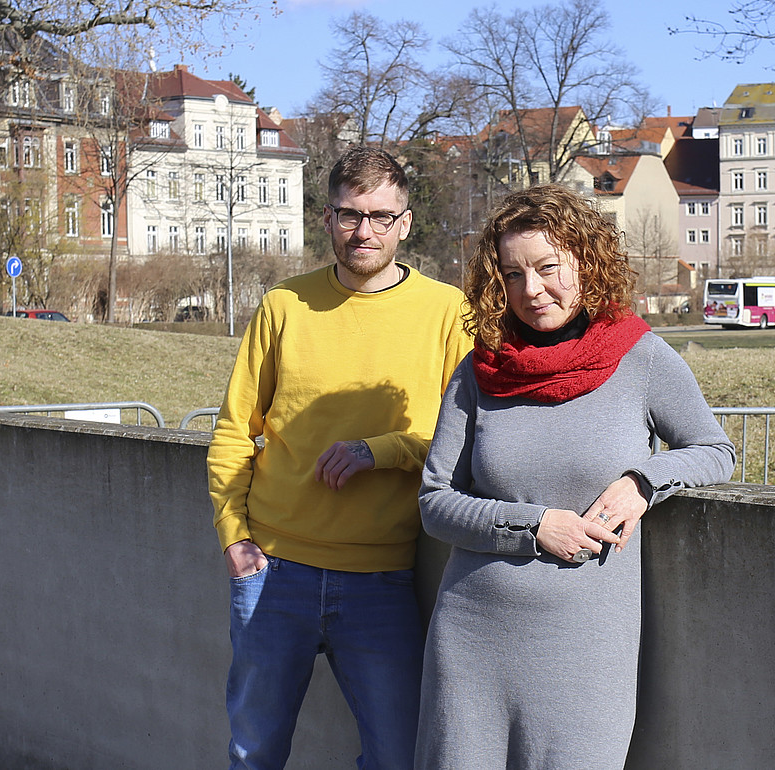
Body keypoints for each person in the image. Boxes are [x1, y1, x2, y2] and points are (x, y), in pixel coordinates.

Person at [415, 185, 735, 769]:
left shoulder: (640, 357)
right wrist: (532, 526)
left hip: (586, 644)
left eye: (547, 267)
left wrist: (643, 481)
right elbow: (435, 502)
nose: (531, 290)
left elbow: (714, 450)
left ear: (586, 262)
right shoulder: (479, 369)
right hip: (472, 635)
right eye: (513, 274)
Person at [207, 146, 473, 770]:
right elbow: (231, 431)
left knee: (397, 756)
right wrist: (233, 538)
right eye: (350, 215)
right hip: (273, 569)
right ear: (326, 219)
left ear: (406, 222)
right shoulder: (283, 305)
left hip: (382, 578)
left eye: (381, 216)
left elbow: (464, 439)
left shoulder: (447, 313)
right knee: (253, 753)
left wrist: (379, 451)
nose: (365, 231)